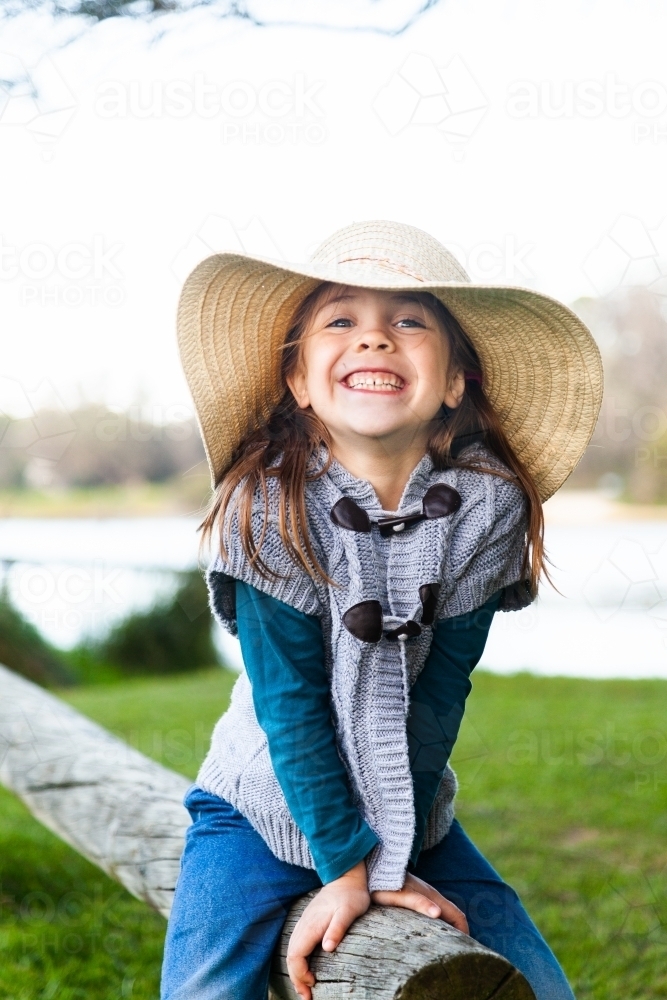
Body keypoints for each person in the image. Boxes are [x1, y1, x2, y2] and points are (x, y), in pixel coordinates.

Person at [161, 221, 603, 1000]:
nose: (373, 340)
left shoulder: (487, 504)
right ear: (298, 382)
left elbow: (440, 695)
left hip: (410, 807)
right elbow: (288, 707)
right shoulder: (265, 502)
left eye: (407, 320)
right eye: (340, 320)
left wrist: (389, 863)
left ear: (454, 380)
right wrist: (343, 871)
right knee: (202, 989)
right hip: (259, 806)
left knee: (532, 983)